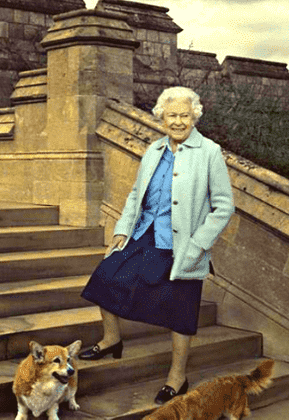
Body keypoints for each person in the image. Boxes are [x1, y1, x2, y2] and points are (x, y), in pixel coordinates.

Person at [79, 86, 234, 405]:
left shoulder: (209, 152)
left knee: (181, 309)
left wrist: (199, 244)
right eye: (172, 115)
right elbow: (137, 194)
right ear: (161, 116)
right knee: (105, 278)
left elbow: (224, 205)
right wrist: (123, 229)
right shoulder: (153, 151)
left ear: (195, 117)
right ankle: (111, 339)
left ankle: (177, 376)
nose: (178, 122)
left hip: (183, 244)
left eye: (185, 116)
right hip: (145, 233)